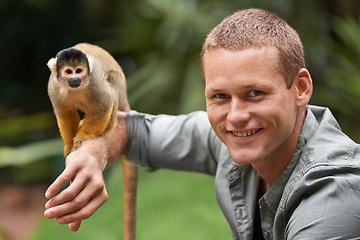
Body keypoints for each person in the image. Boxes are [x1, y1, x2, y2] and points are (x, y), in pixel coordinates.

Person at [44, 8, 360, 239]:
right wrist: (92, 153)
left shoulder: (333, 194)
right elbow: (134, 131)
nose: (235, 116)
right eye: (220, 96)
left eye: (255, 93)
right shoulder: (231, 136)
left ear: (301, 89)